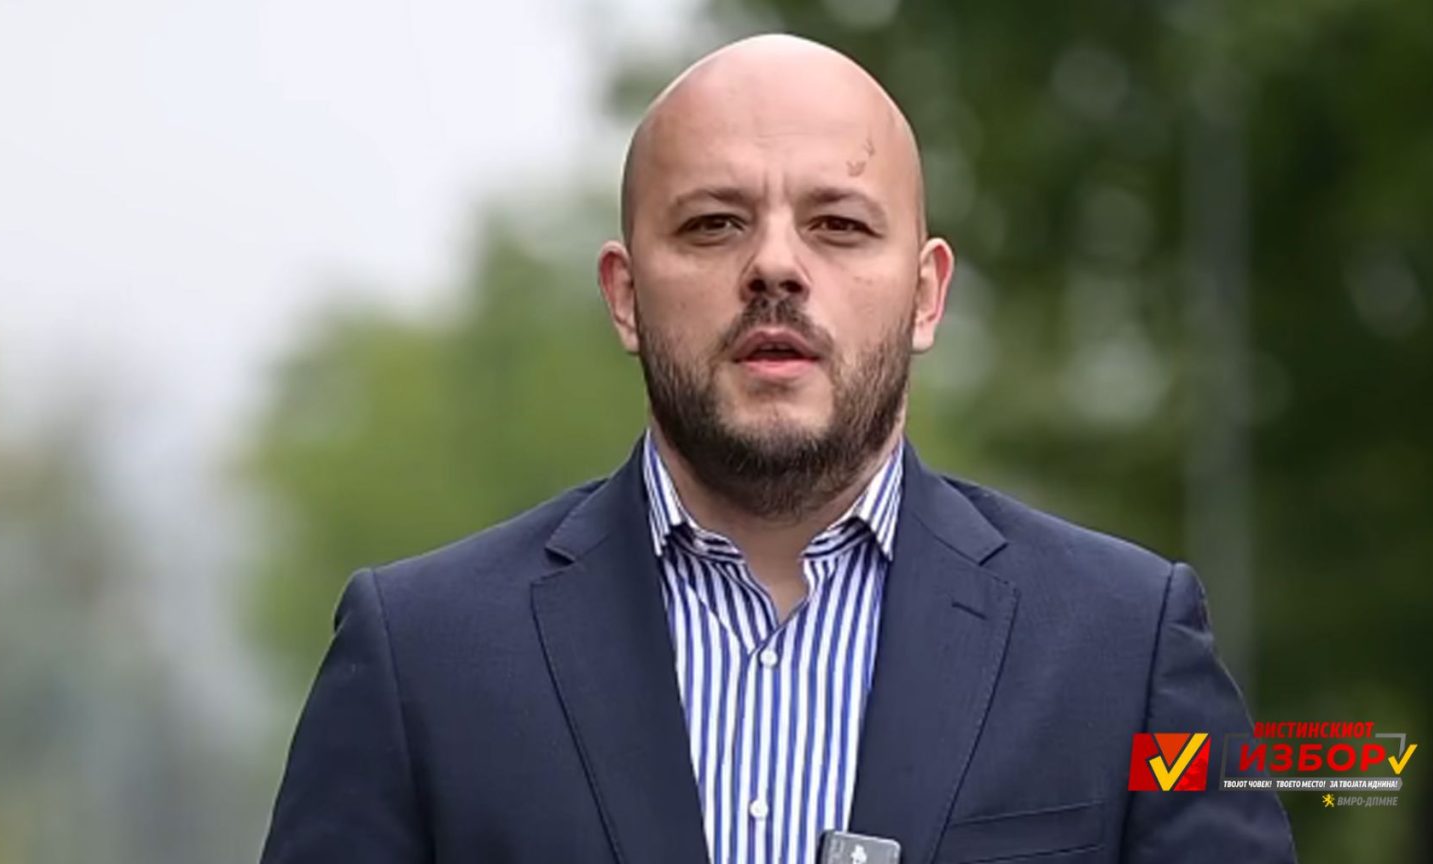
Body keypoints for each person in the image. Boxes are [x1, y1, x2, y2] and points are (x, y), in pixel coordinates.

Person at [261, 34, 1296, 864]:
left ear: (926, 293)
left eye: (838, 226)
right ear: (624, 294)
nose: (775, 267)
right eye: (714, 225)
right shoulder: (421, 658)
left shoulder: (1123, 648)